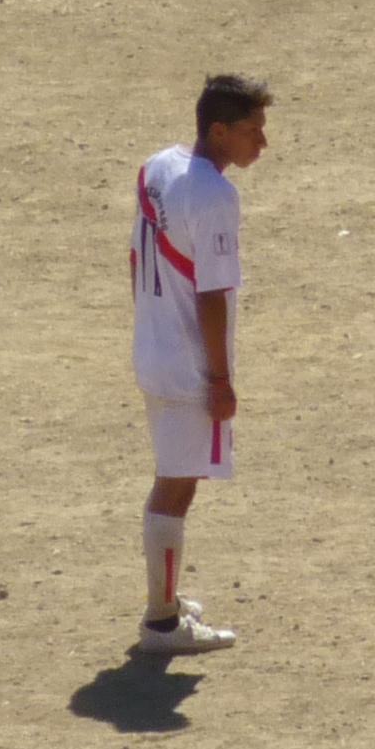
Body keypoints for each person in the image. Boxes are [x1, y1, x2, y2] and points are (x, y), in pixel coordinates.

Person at [131, 72, 272, 658]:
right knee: (176, 486)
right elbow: (213, 296)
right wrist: (220, 380)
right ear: (219, 131)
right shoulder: (216, 196)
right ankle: (161, 622)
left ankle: (166, 599)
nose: (262, 144)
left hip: (153, 344)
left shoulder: (157, 167)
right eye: (252, 132)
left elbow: (138, 253)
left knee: (175, 478)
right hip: (189, 363)